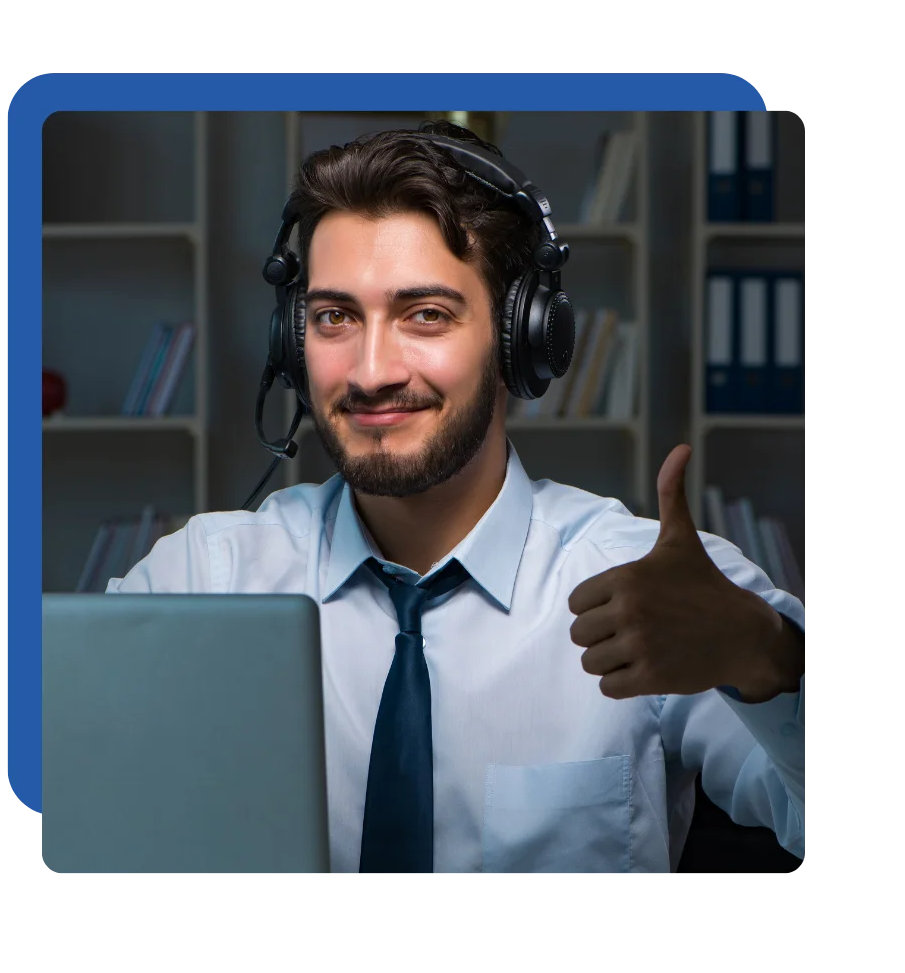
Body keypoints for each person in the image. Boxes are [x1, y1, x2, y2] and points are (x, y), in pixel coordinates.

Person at [107, 119, 808, 877]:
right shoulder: (200, 581)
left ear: (523, 341)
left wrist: (762, 655)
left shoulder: (656, 583)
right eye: (334, 317)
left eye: (426, 315)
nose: (371, 372)